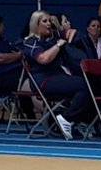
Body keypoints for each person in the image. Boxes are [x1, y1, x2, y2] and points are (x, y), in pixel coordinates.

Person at [21, 10, 94, 139]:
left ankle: (79, 120)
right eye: (45, 21)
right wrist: (58, 45)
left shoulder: (53, 35)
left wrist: (67, 36)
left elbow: (72, 32)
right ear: (35, 24)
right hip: (43, 80)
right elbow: (43, 59)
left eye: (49, 20)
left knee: (91, 83)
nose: (49, 24)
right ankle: (66, 118)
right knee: (83, 85)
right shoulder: (30, 42)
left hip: (58, 75)